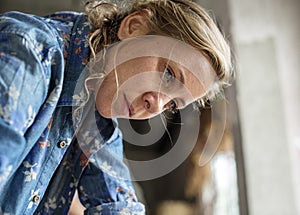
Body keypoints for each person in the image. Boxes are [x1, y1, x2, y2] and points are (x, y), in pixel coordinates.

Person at [0, 0, 233, 214]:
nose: (156, 105)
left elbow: (120, 206)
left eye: (173, 104)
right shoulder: (30, 54)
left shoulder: (97, 119)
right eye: (168, 74)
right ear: (134, 27)